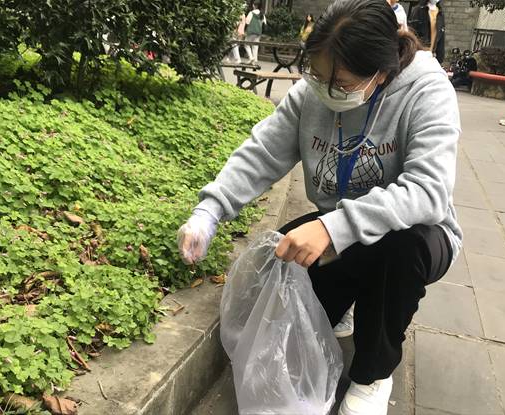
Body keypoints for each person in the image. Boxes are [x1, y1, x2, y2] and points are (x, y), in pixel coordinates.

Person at [178, 0, 462, 414]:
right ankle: (349, 300)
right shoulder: (314, 93)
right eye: (318, 74)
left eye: (341, 83)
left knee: (397, 252)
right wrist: (210, 210)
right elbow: (262, 152)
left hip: (416, 234)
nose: (327, 90)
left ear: (381, 73)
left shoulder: (426, 91)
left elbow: (428, 191)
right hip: (338, 226)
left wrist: (332, 229)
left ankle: (372, 375)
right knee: (280, 263)